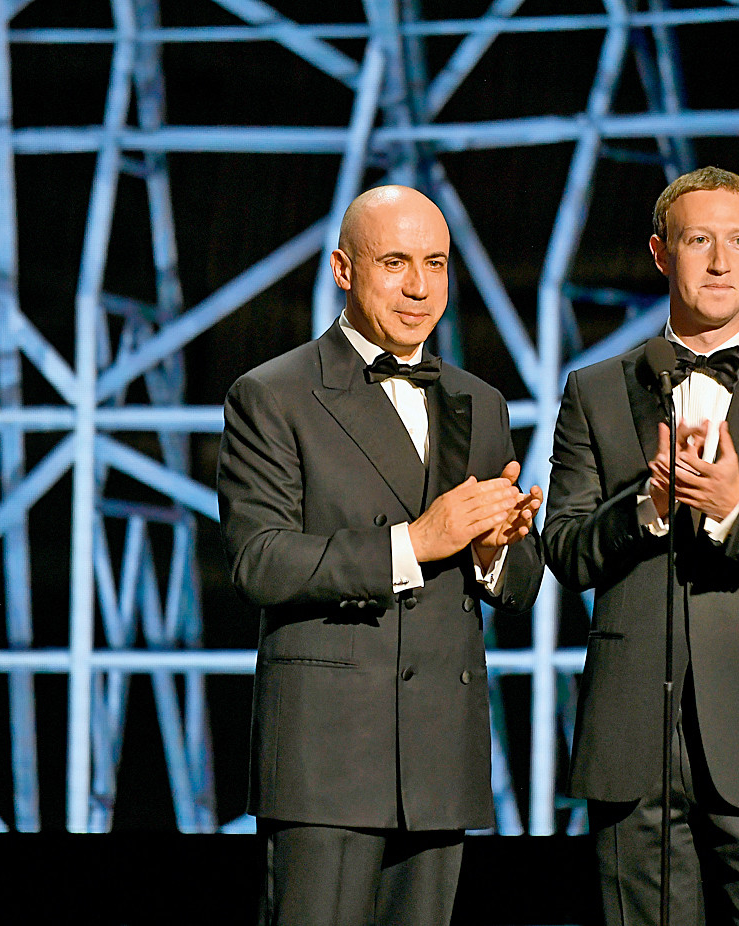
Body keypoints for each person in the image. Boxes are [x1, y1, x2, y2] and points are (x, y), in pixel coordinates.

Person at [217, 184, 544, 926]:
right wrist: (415, 543)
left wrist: (494, 550)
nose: (419, 287)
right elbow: (258, 562)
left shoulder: (479, 401)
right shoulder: (273, 394)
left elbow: (519, 583)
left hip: (440, 755)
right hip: (328, 758)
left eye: (436, 263)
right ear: (343, 269)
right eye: (394, 262)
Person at [543, 166, 739, 926]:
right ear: (661, 253)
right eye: (699, 241)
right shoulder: (595, 389)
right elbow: (565, 549)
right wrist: (646, 508)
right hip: (632, 744)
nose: (720, 263)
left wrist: (736, 509)